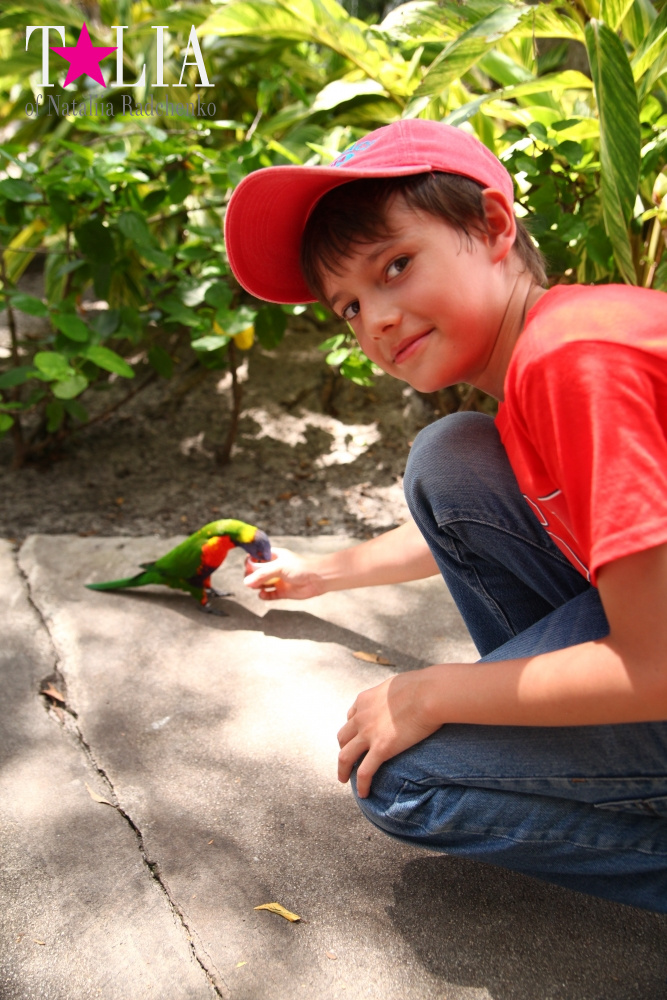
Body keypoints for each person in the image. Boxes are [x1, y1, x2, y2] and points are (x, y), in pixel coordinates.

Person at [224, 119, 667, 912]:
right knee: (452, 457)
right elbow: (492, 519)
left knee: (402, 779)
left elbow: (658, 663)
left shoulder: (575, 361)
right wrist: (319, 575)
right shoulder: (552, 347)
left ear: (493, 226)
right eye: (349, 307)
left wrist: (434, 694)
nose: (376, 320)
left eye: (395, 266)